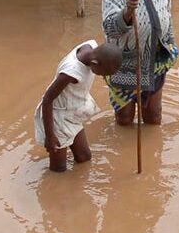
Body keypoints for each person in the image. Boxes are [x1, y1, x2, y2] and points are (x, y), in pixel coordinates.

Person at [101, 0, 179, 127]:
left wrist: (170, 45)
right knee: (125, 119)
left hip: (155, 60)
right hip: (123, 62)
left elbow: (167, 16)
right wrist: (127, 11)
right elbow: (110, 29)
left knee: (153, 117)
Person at [35, 39, 123, 173]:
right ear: (95, 64)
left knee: (84, 157)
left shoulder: (91, 46)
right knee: (58, 169)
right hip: (57, 118)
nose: (103, 77)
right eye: (103, 74)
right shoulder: (71, 72)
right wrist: (50, 136)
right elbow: (48, 99)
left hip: (73, 112)